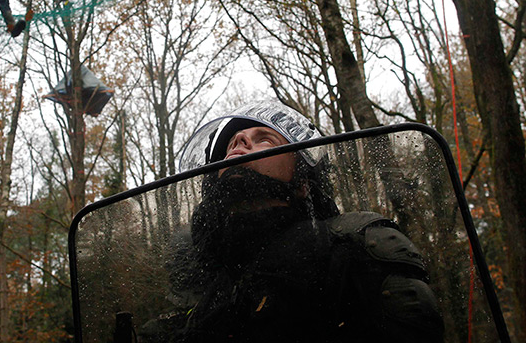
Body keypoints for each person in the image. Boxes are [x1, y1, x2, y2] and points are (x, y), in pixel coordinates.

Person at [140, 100, 444, 343]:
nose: (241, 140)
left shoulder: (352, 246)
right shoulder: (203, 273)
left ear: (303, 182)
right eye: (233, 142)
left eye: (264, 139)